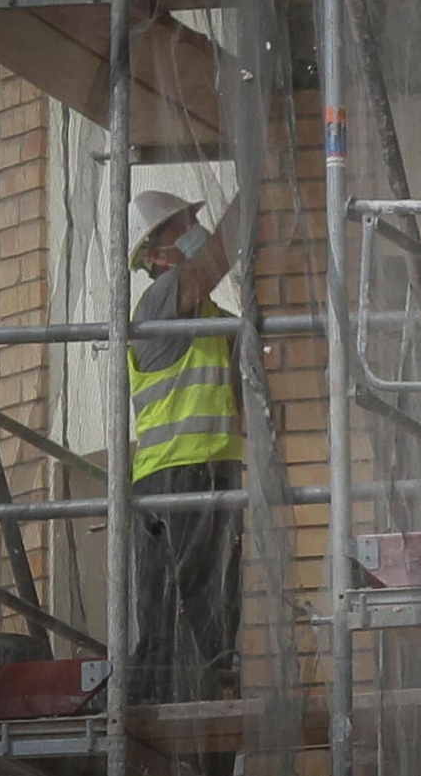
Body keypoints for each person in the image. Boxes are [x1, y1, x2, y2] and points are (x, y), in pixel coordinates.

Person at [124, 189, 246, 712]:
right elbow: (218, 256)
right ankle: (150, 727)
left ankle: (212, 704)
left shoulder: (210, 314)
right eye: (182, 225)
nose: (194, 230)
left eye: (194, 220)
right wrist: (258, 179)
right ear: (154, 254)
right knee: (180, 612)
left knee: (204, 610)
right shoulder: (160, 301)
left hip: (205, 475)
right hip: (175, 477)